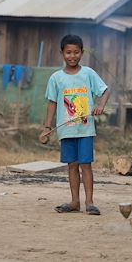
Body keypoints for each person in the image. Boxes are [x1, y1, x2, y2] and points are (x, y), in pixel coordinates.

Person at [40, 34, 109, 215]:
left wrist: (100, 105)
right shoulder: (56, 78)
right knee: (72, 165)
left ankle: (90, 203)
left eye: (76, 52)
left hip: (85, 129)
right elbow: (52, 103)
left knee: (85, 164)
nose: (72, 56)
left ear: (82, 53)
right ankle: (74, 201)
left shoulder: (88, 74)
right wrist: (47, 128)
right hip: (66, 130)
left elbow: (105, 91)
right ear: (62, 53)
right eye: (68, 52)